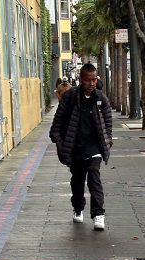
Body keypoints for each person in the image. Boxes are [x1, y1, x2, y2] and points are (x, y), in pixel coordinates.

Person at [49, 62, 113, 231]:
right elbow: (59, 119)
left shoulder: (101, 98)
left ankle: (98, 214)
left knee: (94, 178)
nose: (91, 83)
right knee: (77, 182)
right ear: (81, 80)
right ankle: (78, 208)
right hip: (75, 147)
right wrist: (57, 139)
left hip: (94, 147)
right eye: (88, 80)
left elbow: (108, 123)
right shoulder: (70, 97)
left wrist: (108, 141)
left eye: (94, 80)